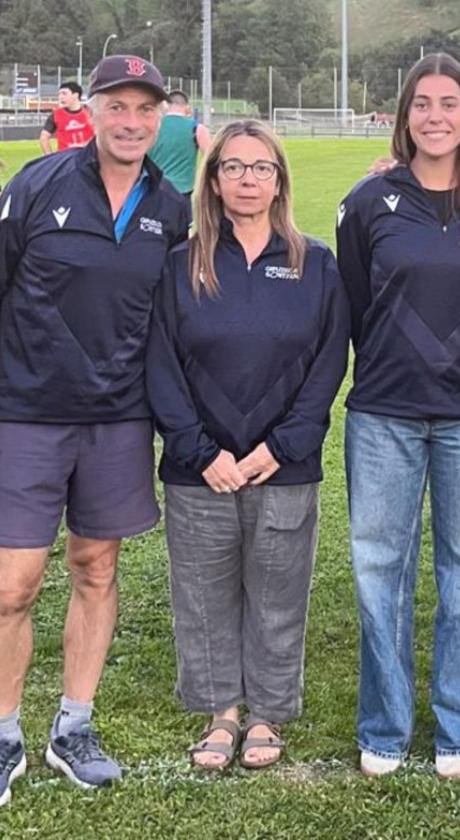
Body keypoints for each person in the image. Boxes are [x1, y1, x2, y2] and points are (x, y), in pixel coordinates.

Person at [0, 55, 188, 804]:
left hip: (117, 419)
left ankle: (72, 725)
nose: (133, 122)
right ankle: (5, 730)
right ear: (95, 112)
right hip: (26, 413)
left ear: (160, 117)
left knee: (96, 569)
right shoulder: (36, 186)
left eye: (147, 109)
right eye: (119, 107)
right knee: (13, 585)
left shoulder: (167, 206)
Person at [336, 52, 460, 780]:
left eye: (450, 103)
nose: (436, 116)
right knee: (379, 570)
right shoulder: (369, 201)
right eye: (423, 104)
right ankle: (383, 728)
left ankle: (459, 724)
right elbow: (355, 303)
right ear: (404, 114)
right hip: (384, 412)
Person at [145, 120, 348, 771]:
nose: (247, 179)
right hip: (198, 467)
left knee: (278, 591)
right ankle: (221, 711)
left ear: (279, 179)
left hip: (283, 466)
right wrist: (201, 451)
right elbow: (160, 363)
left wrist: (282, 446)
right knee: (204, 592)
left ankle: (267, 712)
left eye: (260, 167)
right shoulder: (182, 262)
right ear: (214, 179)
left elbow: (327, 363)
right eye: (233, 167)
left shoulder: (314, 262)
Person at [149, 90, 212, 200]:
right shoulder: (196, 128)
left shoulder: (151, 126)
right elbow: (211, 158)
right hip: (183, 191)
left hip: (153, 188)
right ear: (187, 107)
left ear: (166, 106)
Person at [39, 82, 94, 154]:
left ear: (75, 95)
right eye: (59, 94)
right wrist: (50, 156)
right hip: (67, 159)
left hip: (89, 157)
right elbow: (44, 137)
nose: (61, 97)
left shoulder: (90, 112)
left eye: (64, 94)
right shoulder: (56, 115)